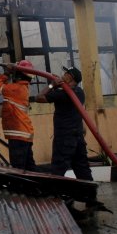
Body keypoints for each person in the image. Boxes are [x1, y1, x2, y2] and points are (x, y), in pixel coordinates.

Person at [34, 66, 98, 206]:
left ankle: (58, 198)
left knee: (58, 169)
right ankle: (91, 198)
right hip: (78, 138)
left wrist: (52, 85)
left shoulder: (64, 94)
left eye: (66, 73)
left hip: (64, 138)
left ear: (71, 77)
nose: (63, 74)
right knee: (82, 167)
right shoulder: (79, 92)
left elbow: (38, 98)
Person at [0, 60, 36, 171]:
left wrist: (6, 73)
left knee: (18, 169)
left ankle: (20, 188)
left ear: (19, 74)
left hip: (19, 134)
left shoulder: (16, 88)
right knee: (29, 168)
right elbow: (3, 86)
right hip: (23, 134)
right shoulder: (20, 87)